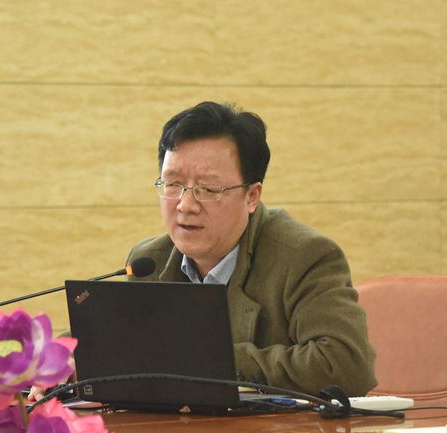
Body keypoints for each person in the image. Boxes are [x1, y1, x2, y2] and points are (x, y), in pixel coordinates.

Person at [124, 101, 377, 396]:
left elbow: (346, 365)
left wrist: (212, 359)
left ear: (252, 196)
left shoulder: (304, 256)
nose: (185, 205)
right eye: (172, 185)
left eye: (208, 189)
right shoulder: (148, 262)